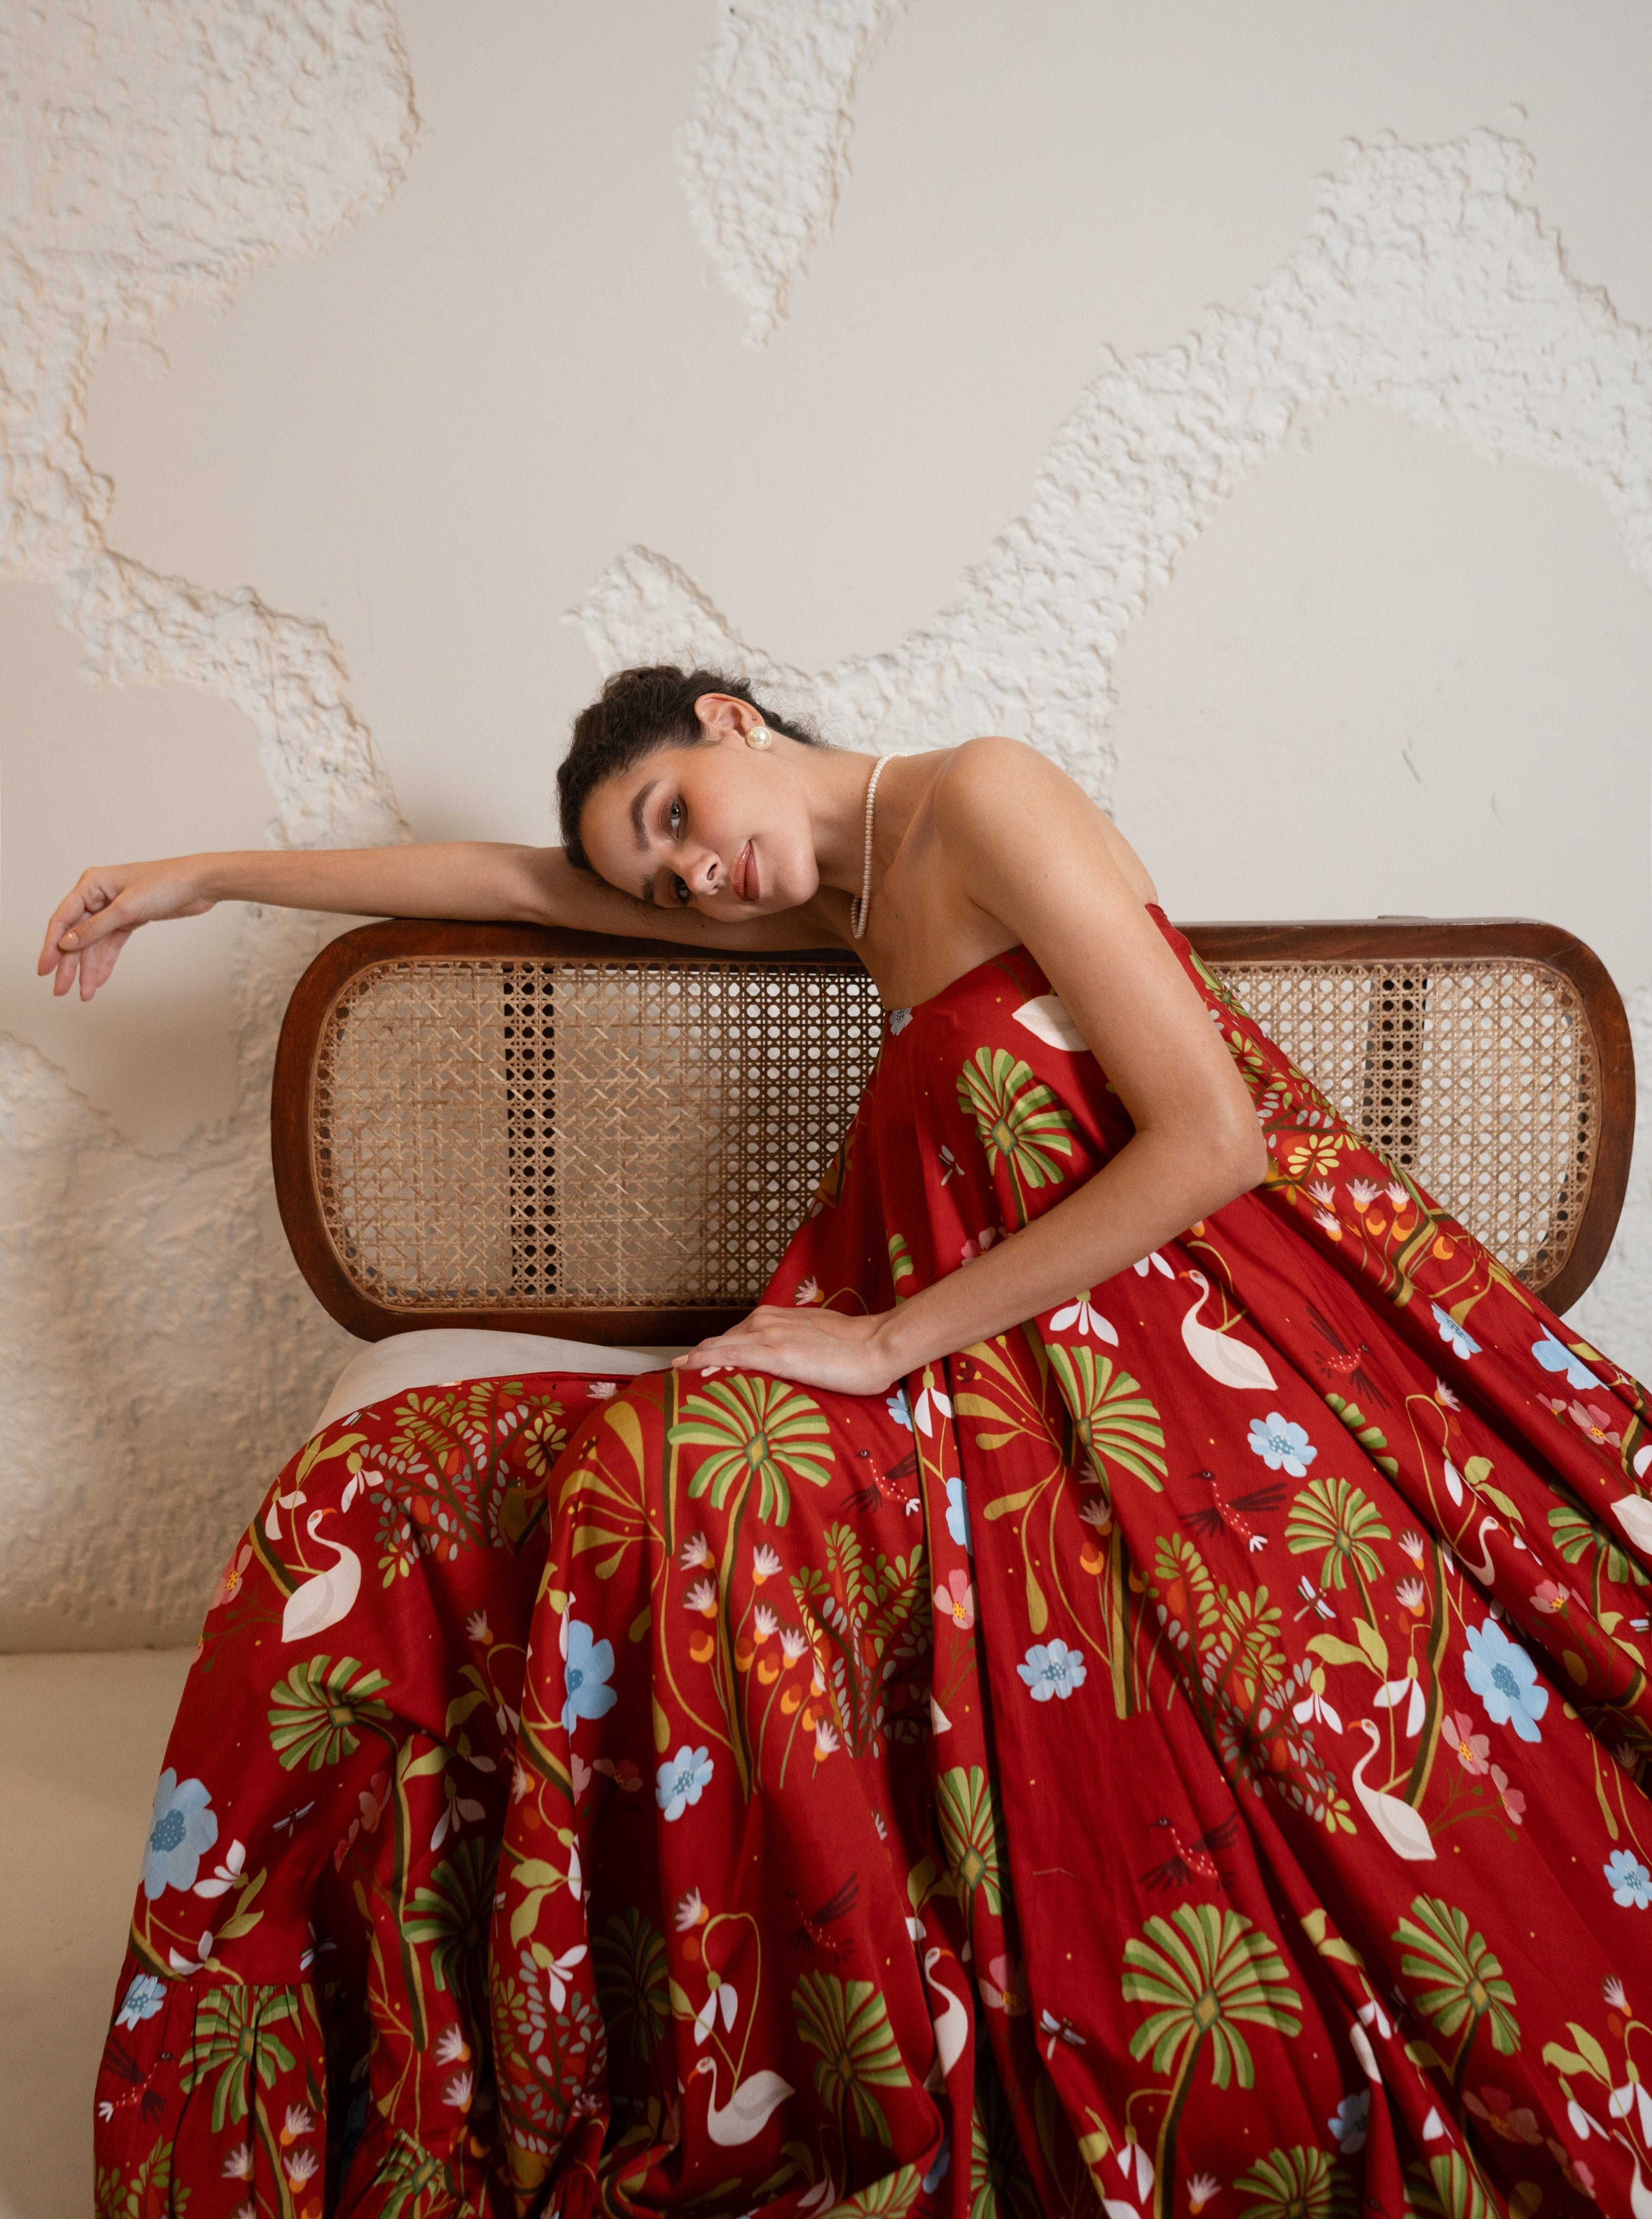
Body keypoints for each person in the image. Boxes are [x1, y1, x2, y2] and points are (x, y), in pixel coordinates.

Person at [49, 666, 1652, 2218]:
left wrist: (886, 1341)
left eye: (676, 817)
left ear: (732, 718)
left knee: (673, 1481)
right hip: (993, 1368)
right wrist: (203, 878)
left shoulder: (989, 793)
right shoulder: (839, 899)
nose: (696, 878)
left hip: (1169, 1337)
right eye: (664, 883)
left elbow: (1213, 1137)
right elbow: (518, 883)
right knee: (382, 1485)